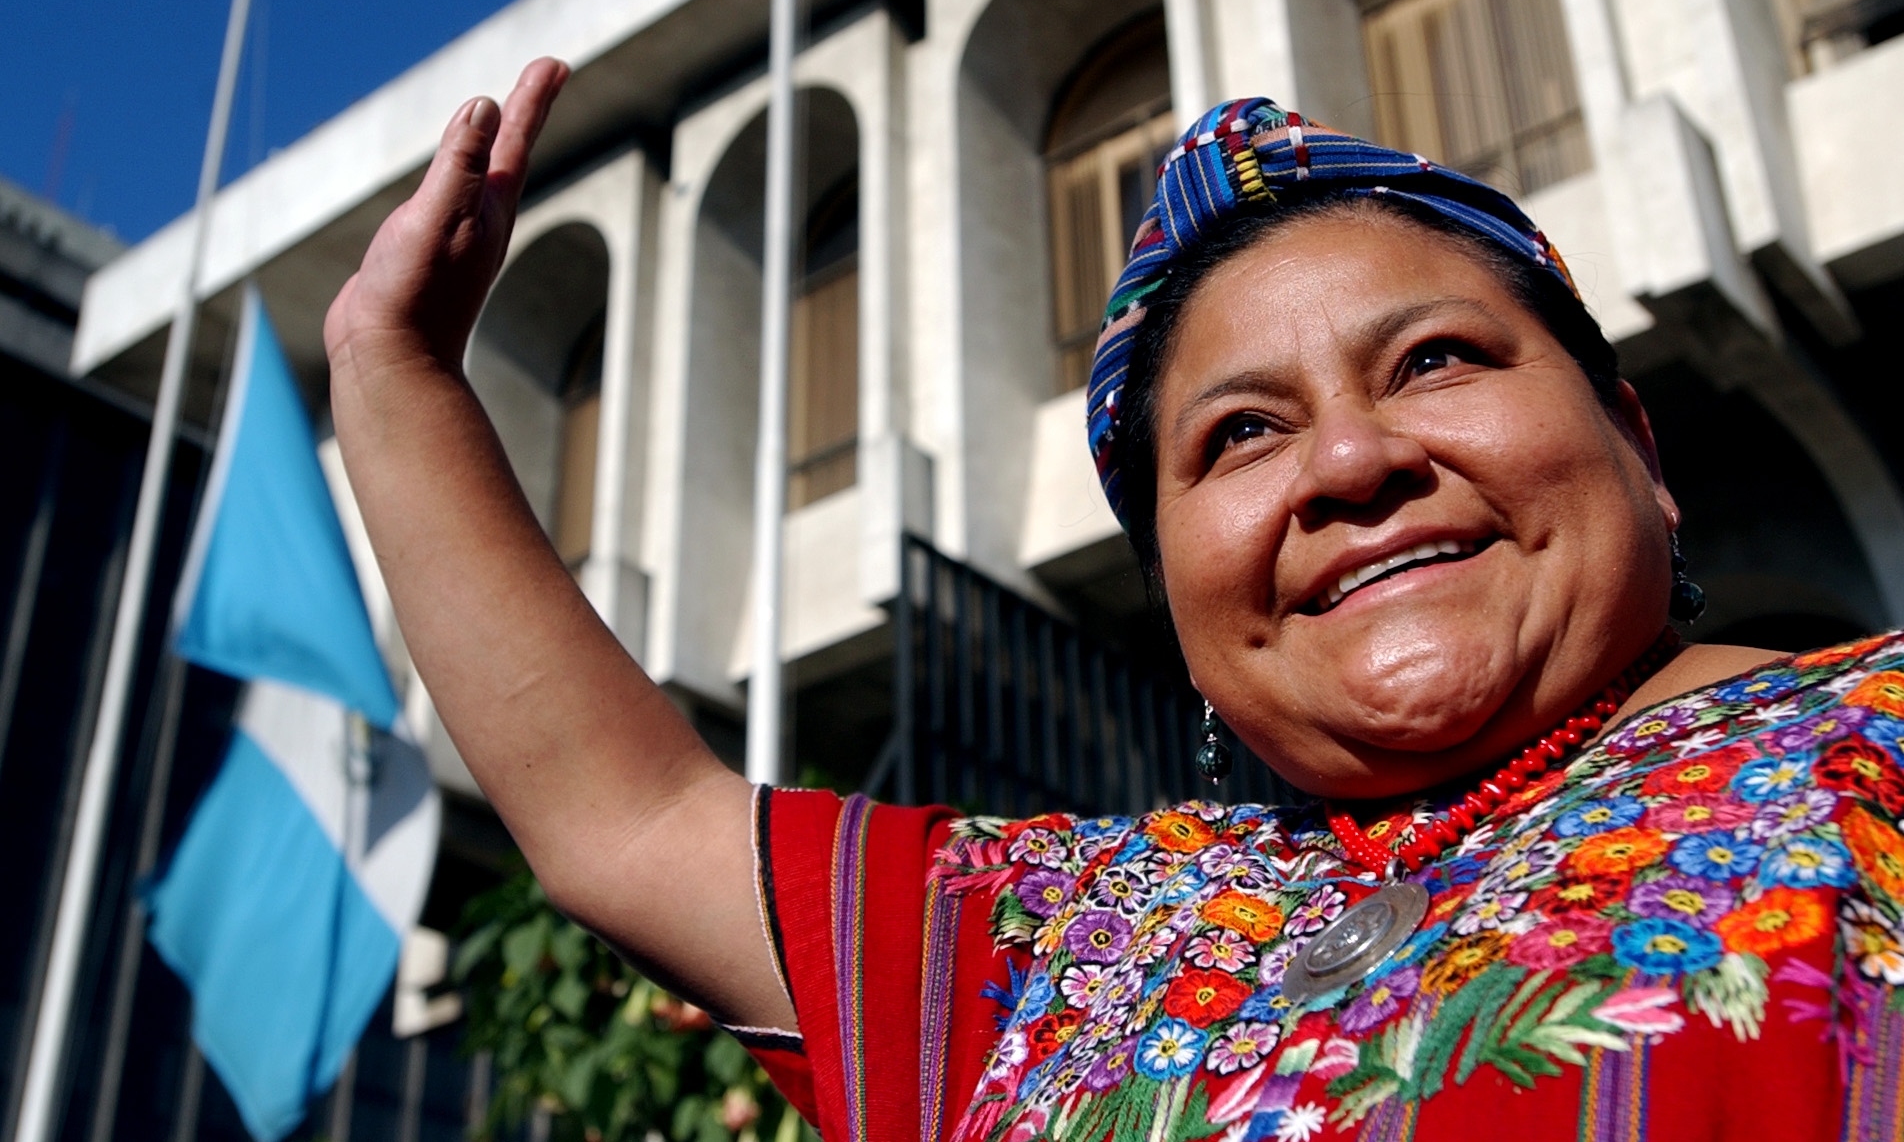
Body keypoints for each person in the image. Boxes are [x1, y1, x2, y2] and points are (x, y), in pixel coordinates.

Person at [325, 60, 1904, 1142]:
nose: (1349, 461)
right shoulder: (1043, 945)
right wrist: (391, 381)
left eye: (1434, 361)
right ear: (1183, 597)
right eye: (1241, 436)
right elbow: (626, 824)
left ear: (1636, 440)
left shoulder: (1875, 735)